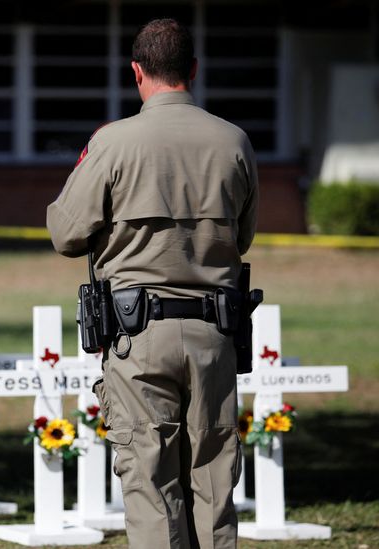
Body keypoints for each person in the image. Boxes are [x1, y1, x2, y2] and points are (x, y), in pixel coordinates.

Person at [46, 18, 259, 549]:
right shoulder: (234, 141)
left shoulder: (112, 142)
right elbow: (244, 237)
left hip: (137, 337)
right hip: (215, 333)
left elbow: (65, 234)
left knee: (150, 488)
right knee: (214, 483)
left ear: (137, 72)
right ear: (193, 70)